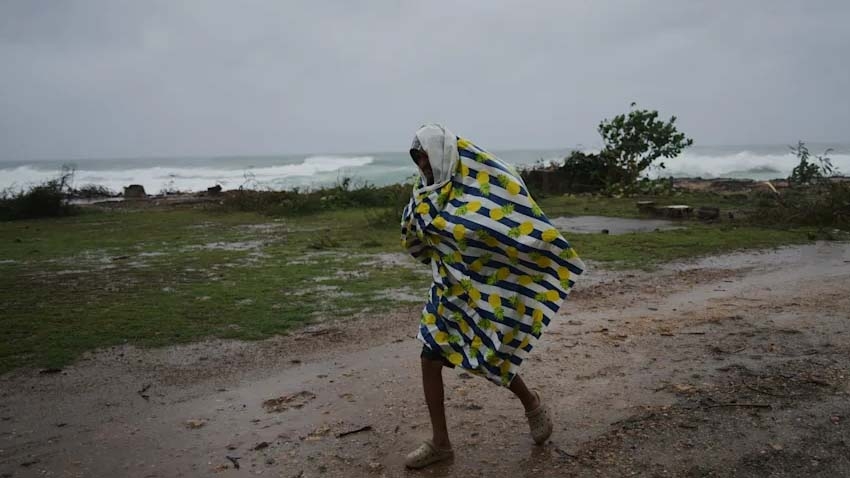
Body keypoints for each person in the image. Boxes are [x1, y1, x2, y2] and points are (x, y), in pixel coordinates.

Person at [400, 124, 586, 469]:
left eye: (425, 155)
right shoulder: (423, 191)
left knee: (491, 354)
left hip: (483, 288)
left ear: (441, 152)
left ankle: (532, 404)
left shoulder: (481, 187)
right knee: (429, 357)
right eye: (417, 157)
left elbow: (508, 223)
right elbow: (416, 233)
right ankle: (441, 443)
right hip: (446, 290)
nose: (421, 163)